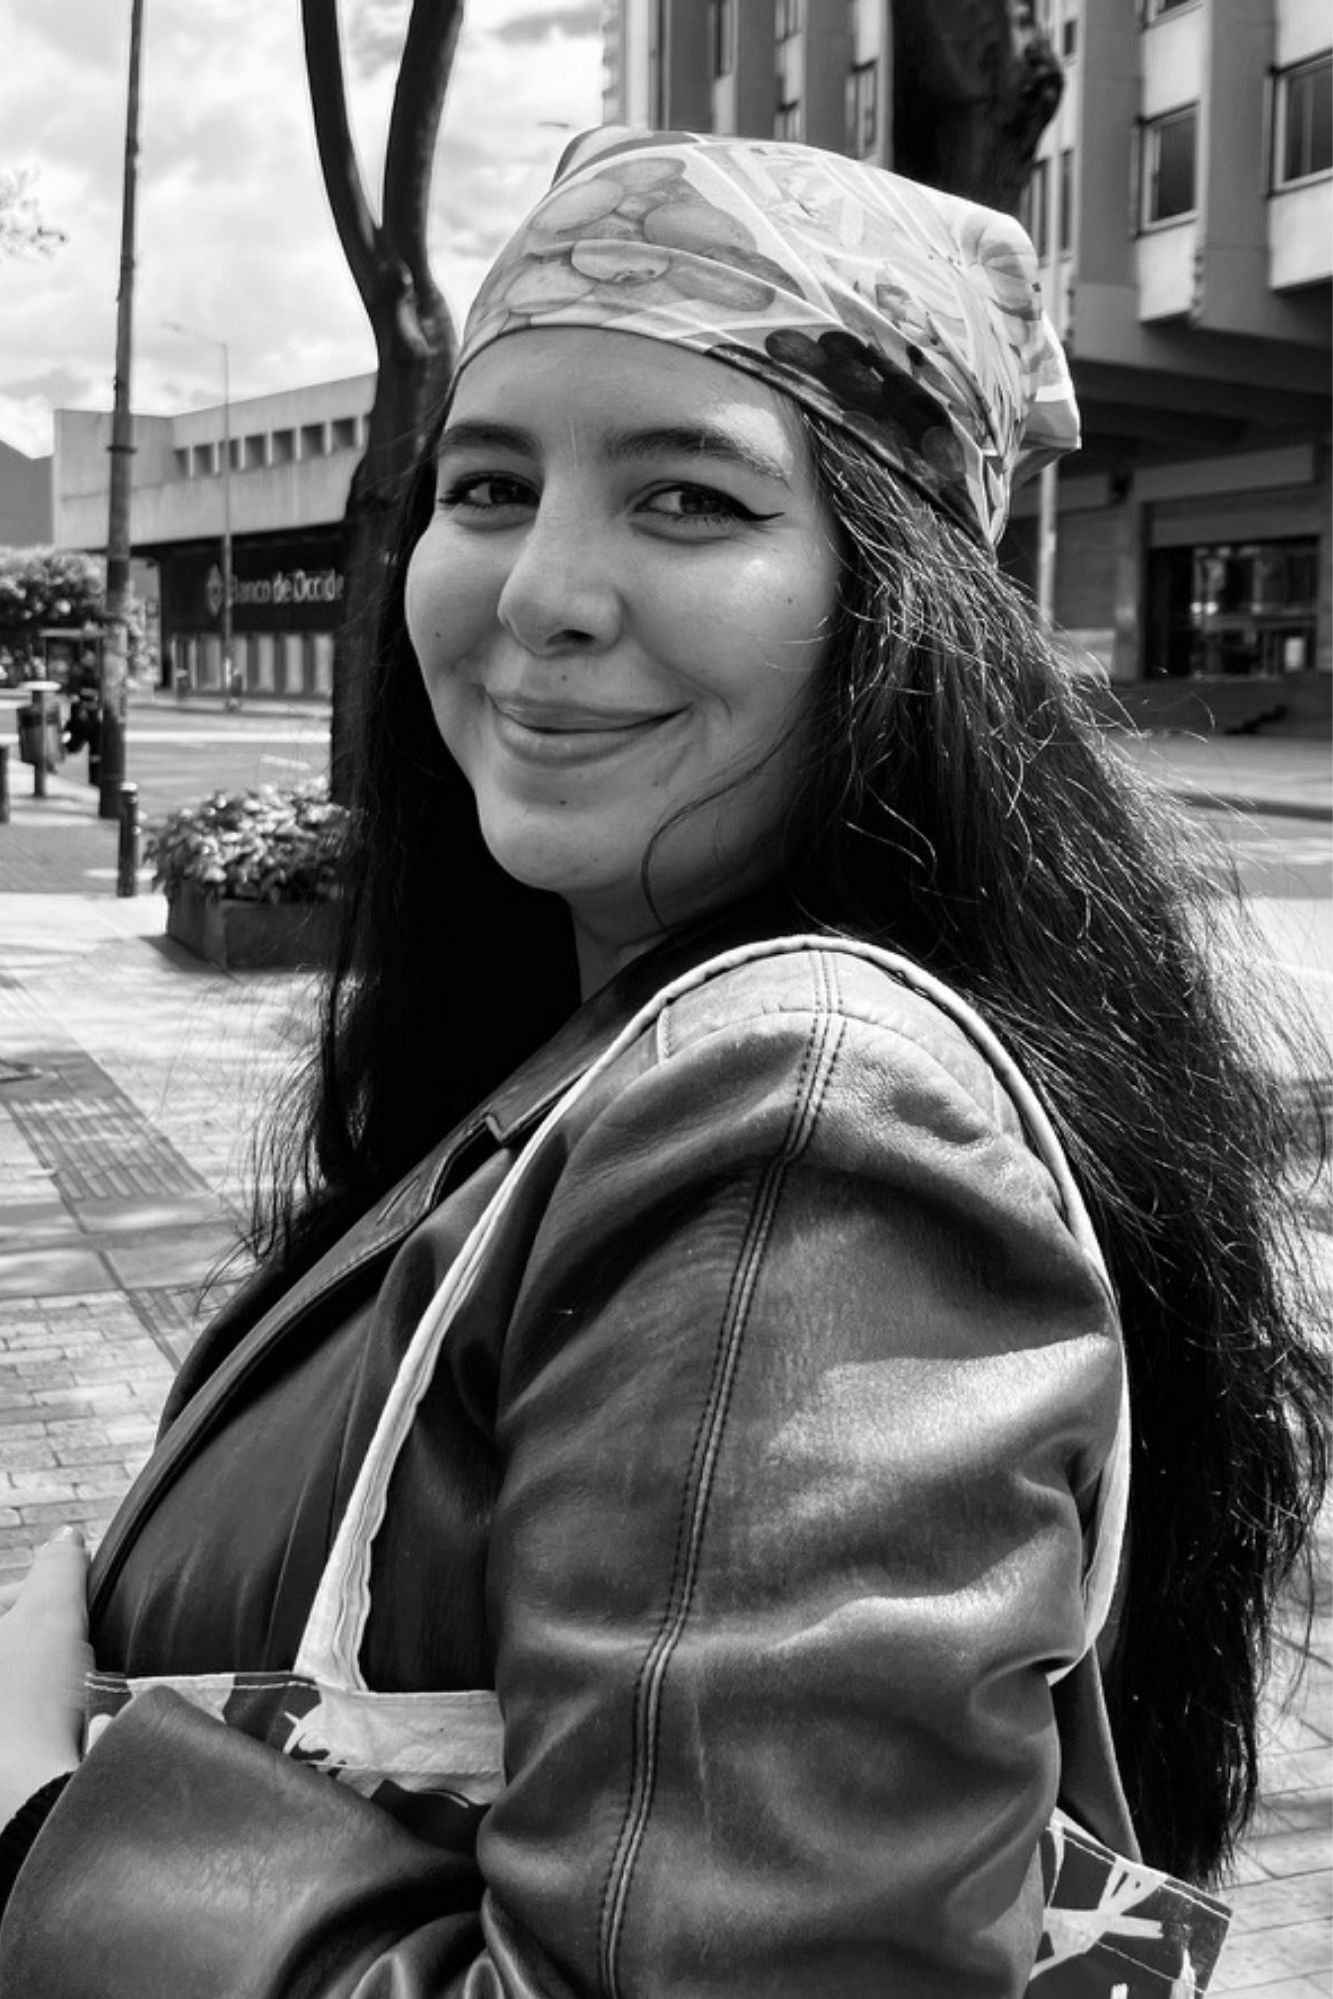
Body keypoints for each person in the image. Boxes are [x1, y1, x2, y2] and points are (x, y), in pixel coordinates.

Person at [0, 129, 1325, 1997]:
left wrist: (47, 1837)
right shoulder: (601, 1050)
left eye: (688, 499)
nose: (539, 588)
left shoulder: (800, 1126)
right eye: (486, 485)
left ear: (891, 601)